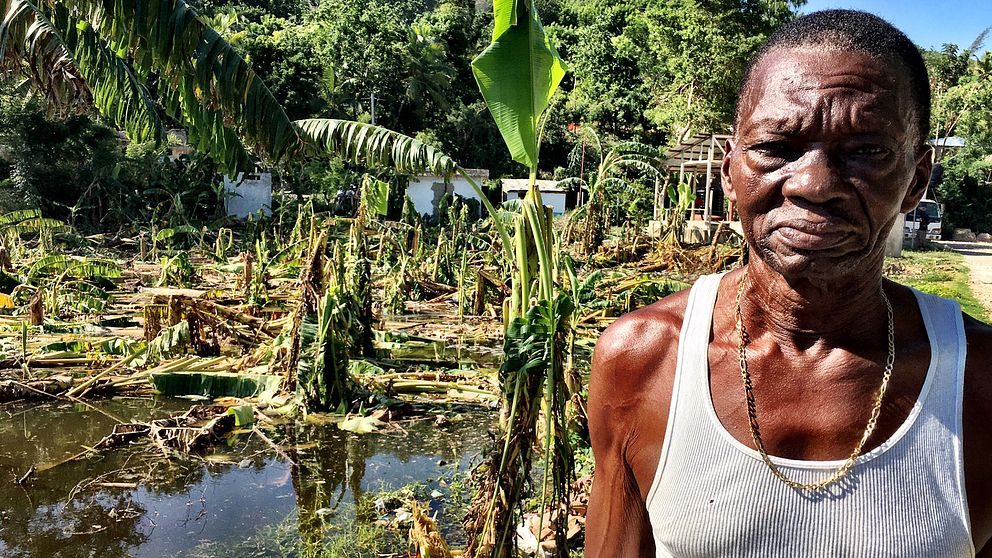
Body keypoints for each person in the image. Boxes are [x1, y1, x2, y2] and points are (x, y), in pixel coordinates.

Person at [586, 10, 992, 557]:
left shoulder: (980, 381)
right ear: (731, 172)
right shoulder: (645, 361)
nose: (814, 185)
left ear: (916, 179)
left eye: (867, 151)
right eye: (776, 148)